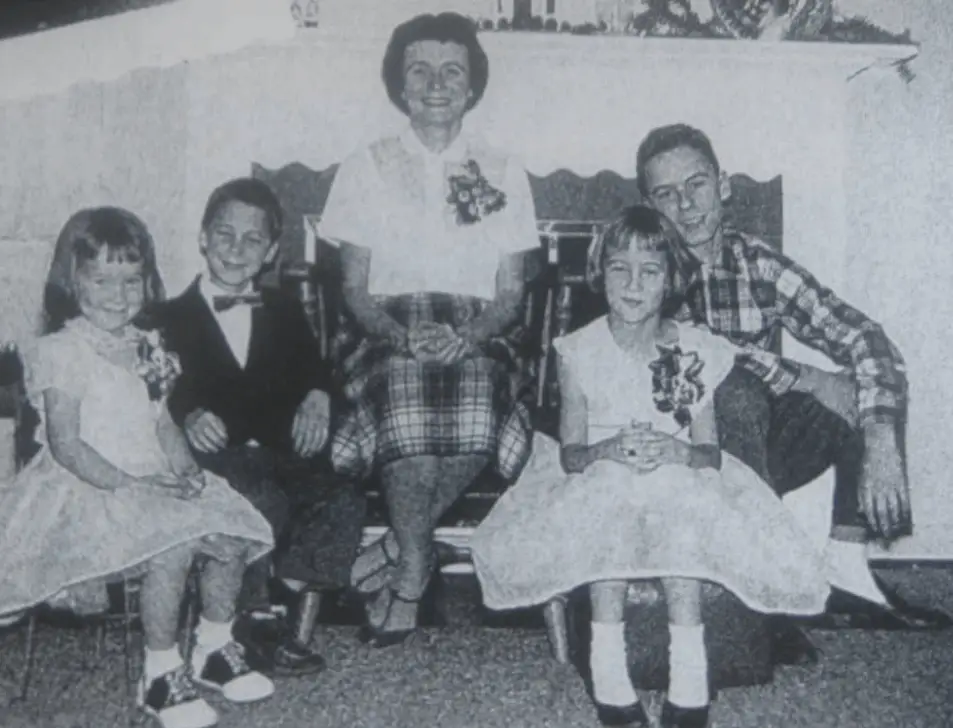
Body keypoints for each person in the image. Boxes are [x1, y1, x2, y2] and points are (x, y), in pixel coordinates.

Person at [471, 206, 830, 728]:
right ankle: (608, 671)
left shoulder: (692, 349)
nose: (633, 284)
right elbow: (571, 454)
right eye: (620, 268)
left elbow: (708, 452)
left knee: (681, 507)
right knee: (610, 497)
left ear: (671, 281)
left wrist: (678, 451)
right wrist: (607, 451)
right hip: (598, 477)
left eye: (650, 270)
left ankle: (691, 677)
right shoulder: (580, 351)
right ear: (601, 275)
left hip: (677, 481)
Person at [635, 123, 951, 651]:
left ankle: (846, 568)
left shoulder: (754, 262)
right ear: (647, 205)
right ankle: (754, 587)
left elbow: (865, 337)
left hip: (755, 447)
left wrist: (878, 438)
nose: (686, 206)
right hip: (676, 459)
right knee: (732, 388)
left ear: (724, 185)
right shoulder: (646, 269)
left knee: (869, 381)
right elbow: (701, 353)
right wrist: (805, 376)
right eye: (666, 194)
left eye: (697, 185)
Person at [0, 207, 276, 728]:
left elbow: (164, 424)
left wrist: (186, 470)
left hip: (151, 474)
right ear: (70, 281)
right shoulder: (62, 350)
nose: (118, 294)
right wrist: (130, 486)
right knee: (170, 546)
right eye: (101, 279)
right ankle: (160, 673)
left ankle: (214, 645)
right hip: (89, 485)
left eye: (131, 280)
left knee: (229, 530)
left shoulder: (149, 345)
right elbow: (66, 444)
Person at [318, 12, 539, 645]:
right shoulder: (364, 165)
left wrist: (466, 336)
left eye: (452, 70)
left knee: (477, 394)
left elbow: (511, 294)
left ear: (472, 86)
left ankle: (400, 550)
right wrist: (399, 335)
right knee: (406, 392)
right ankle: (417, 565)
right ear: (399, 83)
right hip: (385, 329)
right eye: (420, 69)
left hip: (480, 328)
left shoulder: (504, 168)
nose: (436, 83)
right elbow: (354, 291)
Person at [154, 178, 366, 676]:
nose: (235, 249)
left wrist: (318, 394)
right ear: (203, 237)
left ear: (270, 251)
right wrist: (187, 414)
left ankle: (273, 599)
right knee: (256, 497)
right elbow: (154, 389)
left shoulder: (285, 310)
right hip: (215, 459)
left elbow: (314, 368)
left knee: (342, 501)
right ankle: (245, 619)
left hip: (278, 452)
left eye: (252, 240)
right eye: (224, 235)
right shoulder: (166, 318)